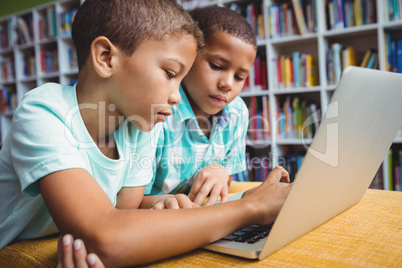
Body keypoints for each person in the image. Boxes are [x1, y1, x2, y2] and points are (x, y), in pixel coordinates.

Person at [0, 0, 291, 267]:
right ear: (105, 57)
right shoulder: (43, 111)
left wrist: (159, 204)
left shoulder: (138, 125)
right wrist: (250, 208)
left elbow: (126, 213)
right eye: (170, 73)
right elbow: (106, 239)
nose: (177, 98)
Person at [145, 6, 257, 206]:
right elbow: (128, 201)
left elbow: (226, 180)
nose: (227, 84)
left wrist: (220, 171)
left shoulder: (237, 111)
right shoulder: (158, 111)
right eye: (216, 66)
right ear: (187, 56)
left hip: (197, 213)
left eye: (239, 77)